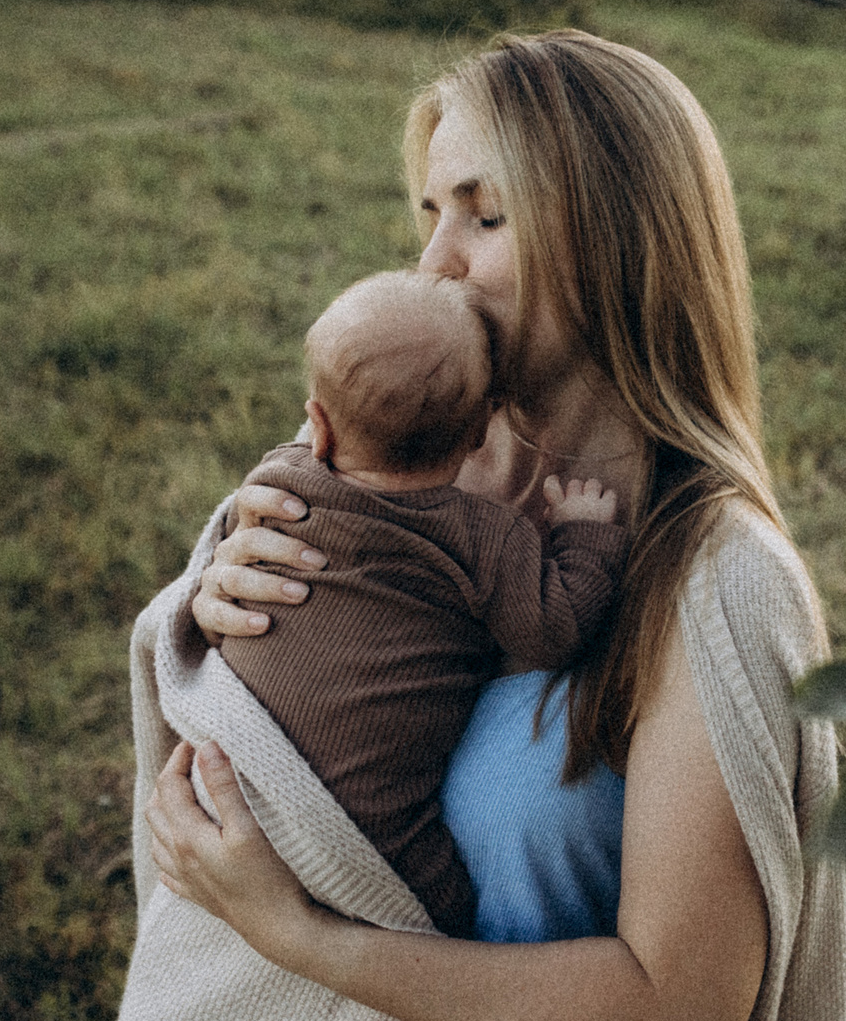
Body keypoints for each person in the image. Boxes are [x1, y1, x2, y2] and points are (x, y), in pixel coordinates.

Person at [45, 30, 846, 1021]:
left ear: (615, 234)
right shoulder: (413, 475)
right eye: (429, 212)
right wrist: (216, 583)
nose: (435, 262)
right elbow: (273, 707)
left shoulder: (713, 577)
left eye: (486, 213)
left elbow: (678, 1018)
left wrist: (310, 938)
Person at [223, 267, 628, 938]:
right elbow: (554, 628)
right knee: (453, 918)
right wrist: (587, 539)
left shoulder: (279, 483)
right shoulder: (482, 535)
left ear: (316, 428)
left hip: (241, 780)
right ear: (477, 435)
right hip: (374, 831)